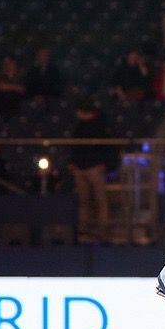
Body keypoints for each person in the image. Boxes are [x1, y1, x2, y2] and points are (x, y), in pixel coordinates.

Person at [68, 98, 119, 244]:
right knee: (84, 201)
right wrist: (72, 162)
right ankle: (83, 231)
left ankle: (102, 231)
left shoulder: (101, 126)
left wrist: (105, 164)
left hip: (95, 168)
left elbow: (109, 148)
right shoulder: (78, 126)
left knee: (100, 200)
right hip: (80, 168)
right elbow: (74, 146)